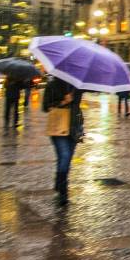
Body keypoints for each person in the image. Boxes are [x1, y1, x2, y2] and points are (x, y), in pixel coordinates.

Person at [43, 76, 83, 205]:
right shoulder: (52, 84)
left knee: (66, 158)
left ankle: (59, 183)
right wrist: (63, 102)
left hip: (74, 126)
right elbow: (45, 107)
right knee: (64, 156)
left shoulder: (78, 84)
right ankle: (63, 192)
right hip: (58, 126)